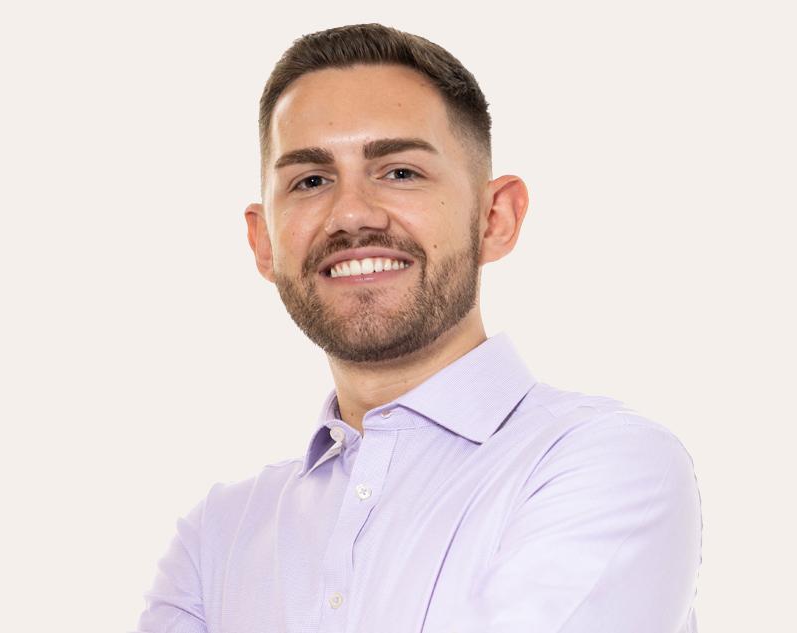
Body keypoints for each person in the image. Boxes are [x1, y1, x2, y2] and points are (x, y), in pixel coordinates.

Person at [135, 23, 702, 633]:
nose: (350, 213)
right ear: (263, 241)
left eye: (399, 172)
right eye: (310, 181)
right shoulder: (216, 536)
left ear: (495, 217)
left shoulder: (607, 464)